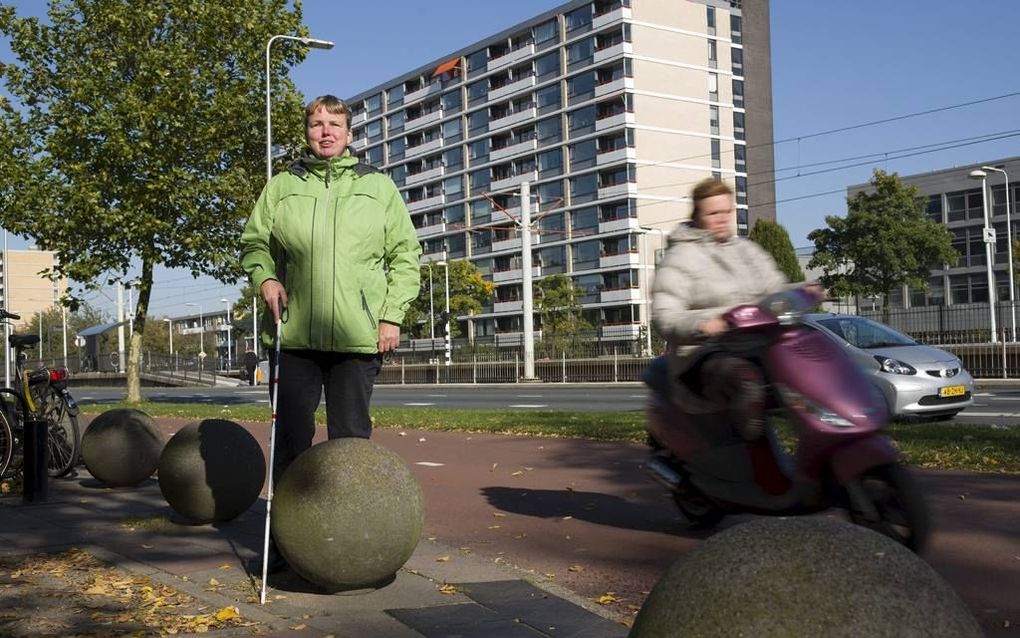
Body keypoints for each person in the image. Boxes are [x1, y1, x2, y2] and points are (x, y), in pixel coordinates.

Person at [240, 95, 421, 571]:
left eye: (334, 124)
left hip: (357, 339)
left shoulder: (378, 188)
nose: (325, 132)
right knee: (292, 442)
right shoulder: (281, 187)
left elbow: (405, 257)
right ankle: (285, 540)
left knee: (351, 443)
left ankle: (352, 539)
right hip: (294, 336)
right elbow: (254, 243)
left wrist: (391, 315)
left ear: (349, 133)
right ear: (307, 132)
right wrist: (266, 277)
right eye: (317, 124)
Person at [651, 178, 790, 440]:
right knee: (746, 381)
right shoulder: (680, 258)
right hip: (704, 353)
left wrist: (803, 291)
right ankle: (748, 457)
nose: (722, 219)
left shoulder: (747, 250)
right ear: (697, 216)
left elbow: (776, 288)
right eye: (713, 213)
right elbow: (664, 315)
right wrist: (701, 326)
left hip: (754, 344)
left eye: (727, 211)